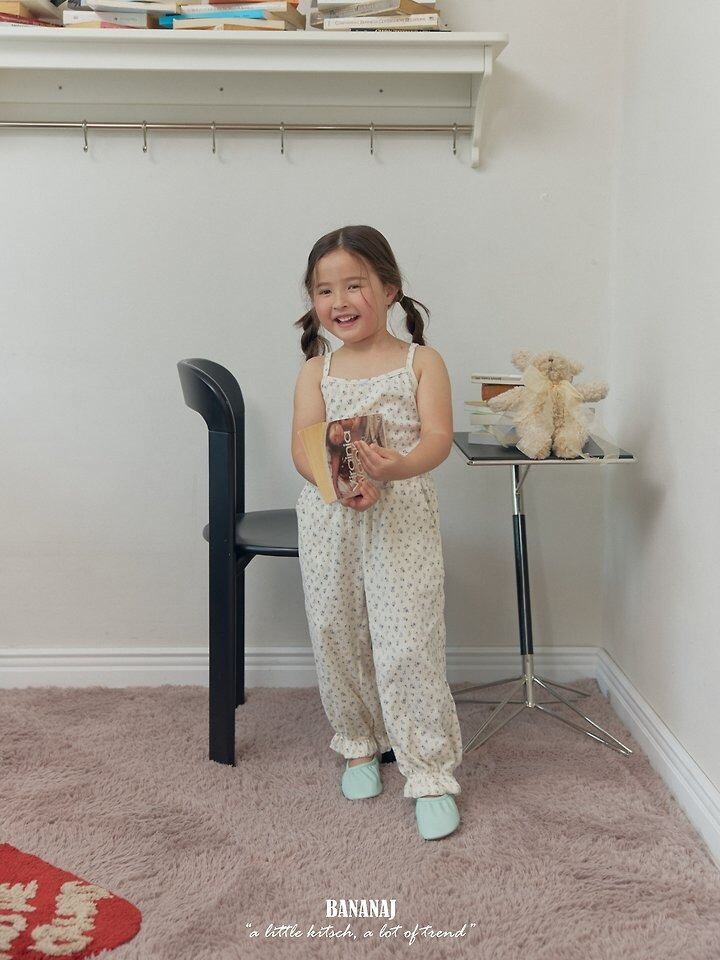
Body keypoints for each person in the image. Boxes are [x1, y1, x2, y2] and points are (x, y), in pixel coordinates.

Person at [290, 224, 464, 841]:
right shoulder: (316, 371)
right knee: (337, 629)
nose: (339, 301)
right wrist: (338, 483)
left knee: (408, 639)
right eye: (324, 290)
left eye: (354, 285)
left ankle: (430, 772)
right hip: (330, 516)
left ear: (389, 289)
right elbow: (303, 448)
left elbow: (437, 438)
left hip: (402, 514)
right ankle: (359, 742)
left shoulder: (422, 362)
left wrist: (397, 469)